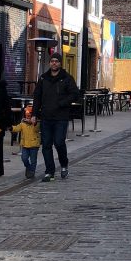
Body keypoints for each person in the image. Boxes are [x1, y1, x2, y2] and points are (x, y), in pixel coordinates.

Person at [32, 52, 78, 182]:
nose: (54, 63)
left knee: (59, 142)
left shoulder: (67, 78)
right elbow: (37, 97)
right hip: (46, 116)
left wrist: (62, 103)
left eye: (56, 61)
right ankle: (49, 171)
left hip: (61, 117)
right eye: (52, 61)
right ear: (49, 63)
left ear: (60, 63)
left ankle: (64, 165)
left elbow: (75, 94)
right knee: (46, 145)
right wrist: (34, 114)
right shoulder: (43, 78)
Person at [11, 104, 41, 179]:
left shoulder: (37, 123)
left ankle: (32, 171)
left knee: (33, 160)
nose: (28, 117)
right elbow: (17, 128)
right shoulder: (22, 123)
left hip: (34, 145)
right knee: (24, 158)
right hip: (24, 145)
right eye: (27, 116)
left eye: (30, 116)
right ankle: (28, 167)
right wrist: (11, 127)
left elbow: (37, 129)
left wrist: (34, 122)